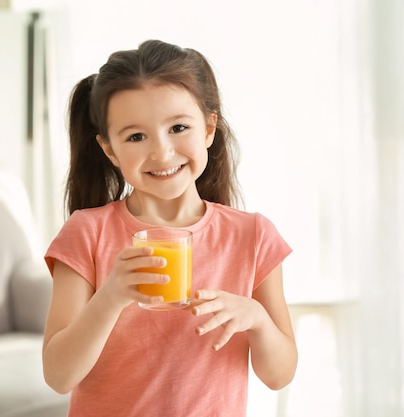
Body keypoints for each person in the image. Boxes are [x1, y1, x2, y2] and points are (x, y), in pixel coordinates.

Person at [42, 39, 297, 417]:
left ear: (209, 128)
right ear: (110, 150)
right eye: (136, 136)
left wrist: (256, 319)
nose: (161, 152)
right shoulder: (87, 233)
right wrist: (110, 296)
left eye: (178, 127)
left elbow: (280, 375)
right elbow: (59, 375)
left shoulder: (252, 236)